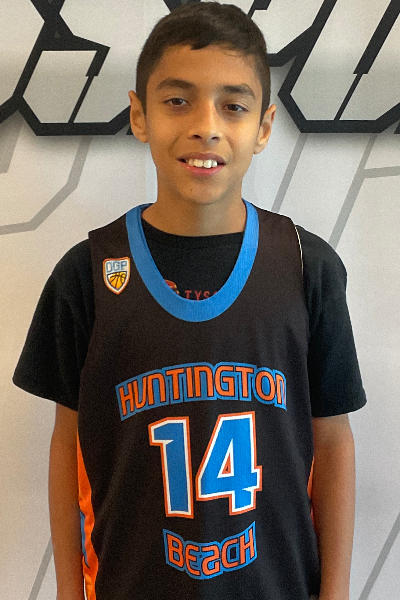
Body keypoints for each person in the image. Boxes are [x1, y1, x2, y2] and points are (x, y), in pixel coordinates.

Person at [13, 3, 366, 600]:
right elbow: (66, 447)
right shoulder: (87, 275)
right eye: (178, 100)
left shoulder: (308, 267)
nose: (206, 126)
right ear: (140, 115)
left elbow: (332, 442)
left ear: (264, 126)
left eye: (233, 105)